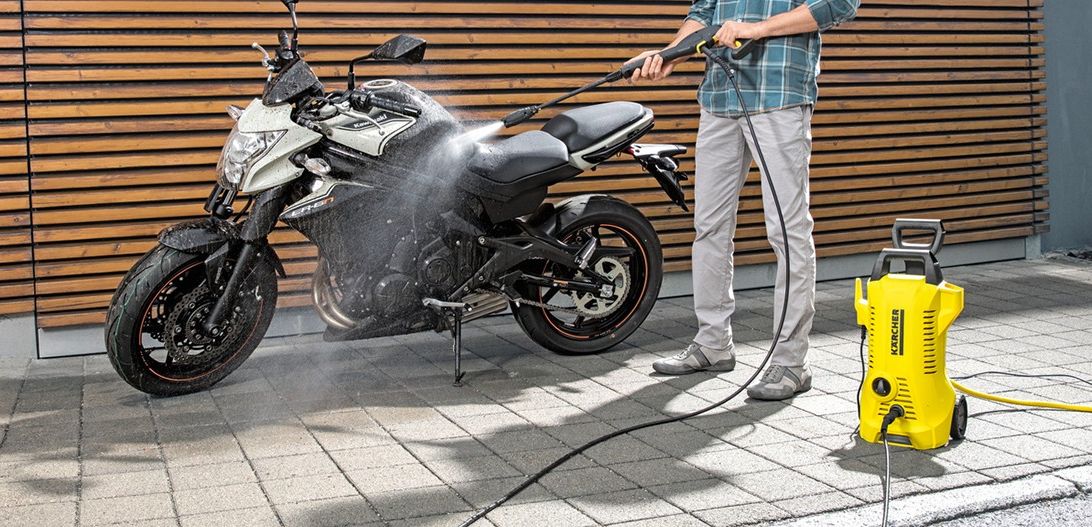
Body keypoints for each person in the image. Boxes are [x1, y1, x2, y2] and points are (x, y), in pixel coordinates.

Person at [629, 0, 859, 400]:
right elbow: (703, 14)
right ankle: (713, 343)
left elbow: (839, 4)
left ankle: (791, 362)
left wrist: (756, 28)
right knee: (710, 227)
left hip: (778, 97)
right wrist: (669, 54)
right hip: (719, 100)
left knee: (788, 232)